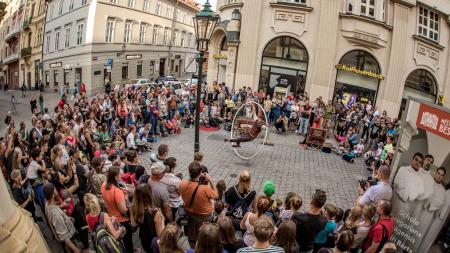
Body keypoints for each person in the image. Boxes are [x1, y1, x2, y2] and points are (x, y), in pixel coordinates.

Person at [179, 161, 218, 248]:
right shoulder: (204, 189)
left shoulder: (182, 184)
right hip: (204, 218)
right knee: (205, 238)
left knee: (192, 238)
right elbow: (216, 195)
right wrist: (210, 180)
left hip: (190, 216)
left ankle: (193, 249)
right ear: (200, 173)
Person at [101, 166, 134, 253]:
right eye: (120, 175)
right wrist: (125, 196)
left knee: (119, 240)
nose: (121, 176)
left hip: (112, 216)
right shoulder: (117, 191)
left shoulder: (104, 185)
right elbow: (123, 210)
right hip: (122, 219)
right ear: (115, 177)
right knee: (128, 241)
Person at [43, 183, 80, 253]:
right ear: (53, 194)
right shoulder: (56, 216)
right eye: (55, 190)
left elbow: (53, 207)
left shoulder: (47, 203)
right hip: (69, 239)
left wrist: (62, 207)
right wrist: (75, 249)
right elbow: (64, 237)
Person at [130, 183, 165, 253]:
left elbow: (133, 225)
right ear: (149, 195)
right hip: (154, 243)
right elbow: (161, 236)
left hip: (144, 239)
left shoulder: (133, 208)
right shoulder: (155, 212)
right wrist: (162, 220)